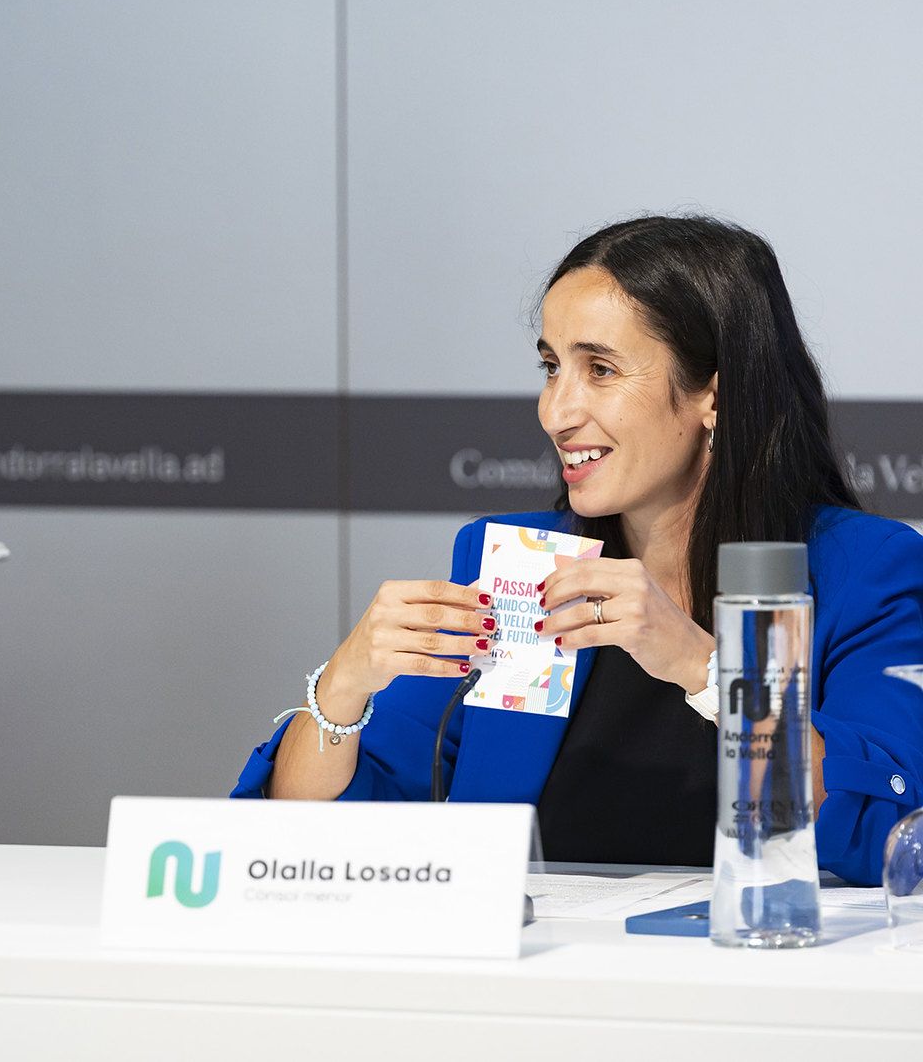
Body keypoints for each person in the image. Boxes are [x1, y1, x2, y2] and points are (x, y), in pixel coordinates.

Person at [234, 215, 923, 886]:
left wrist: (697, 664)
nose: (556, 411)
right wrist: (344, 684)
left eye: (599, 369)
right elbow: (312, 837)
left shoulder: (865, 571)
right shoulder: (518, 564)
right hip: (539, 987)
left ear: (714, 393)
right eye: (551, 367)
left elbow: (886, 830)